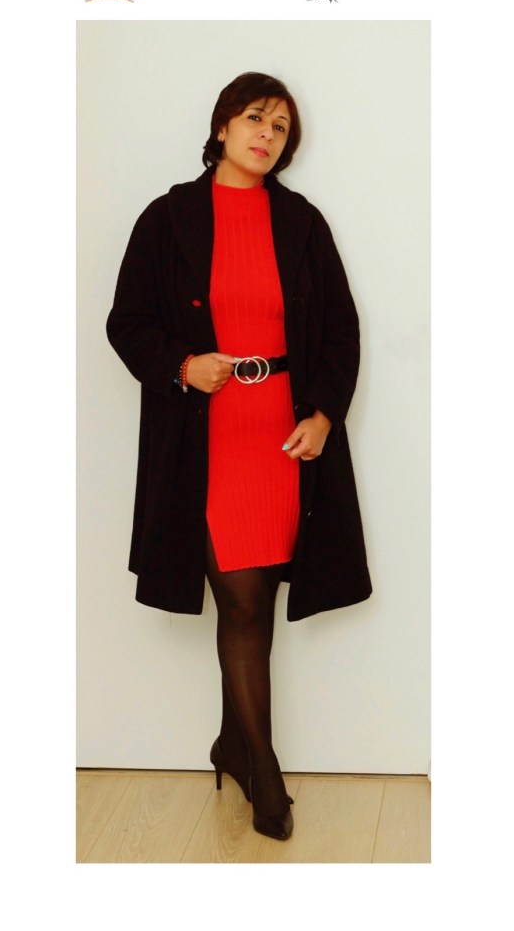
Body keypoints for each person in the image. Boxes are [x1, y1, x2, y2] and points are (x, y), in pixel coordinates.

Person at [106, 72, 372, 842]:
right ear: (222, 125)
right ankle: (264, 766)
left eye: (281, 127)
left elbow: (342, 329)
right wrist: (184, 365)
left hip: (280, 432)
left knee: (252, 599)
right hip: (209, 432)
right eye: (255, 117)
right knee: (245, 600)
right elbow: (127, 321)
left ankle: (232, 741)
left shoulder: (302, 222)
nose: (267, 134)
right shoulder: (167, 218)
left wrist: (323, 414)